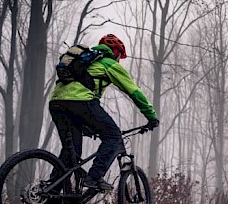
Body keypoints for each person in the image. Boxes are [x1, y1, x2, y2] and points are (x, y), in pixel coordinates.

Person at [49, 34, 159, 191]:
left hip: (56, 103)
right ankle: (94, 177)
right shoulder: (108, 63)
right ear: (115, 52)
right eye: (120, 55)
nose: (119, 59)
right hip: (81, 102)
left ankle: (50, 196)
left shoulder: (84, 62)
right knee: (113, 136)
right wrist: (151, 116)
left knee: (71, 151)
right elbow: (133, 91)